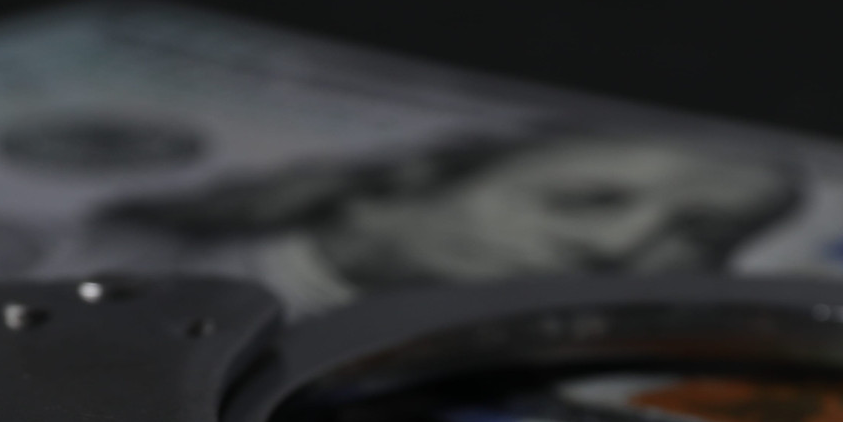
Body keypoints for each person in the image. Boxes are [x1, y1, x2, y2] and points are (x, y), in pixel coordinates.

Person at [98, 132, 803, 307]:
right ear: (414, 183)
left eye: (700, 234)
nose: (623, 245)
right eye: (587, 201)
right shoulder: (106, 261)